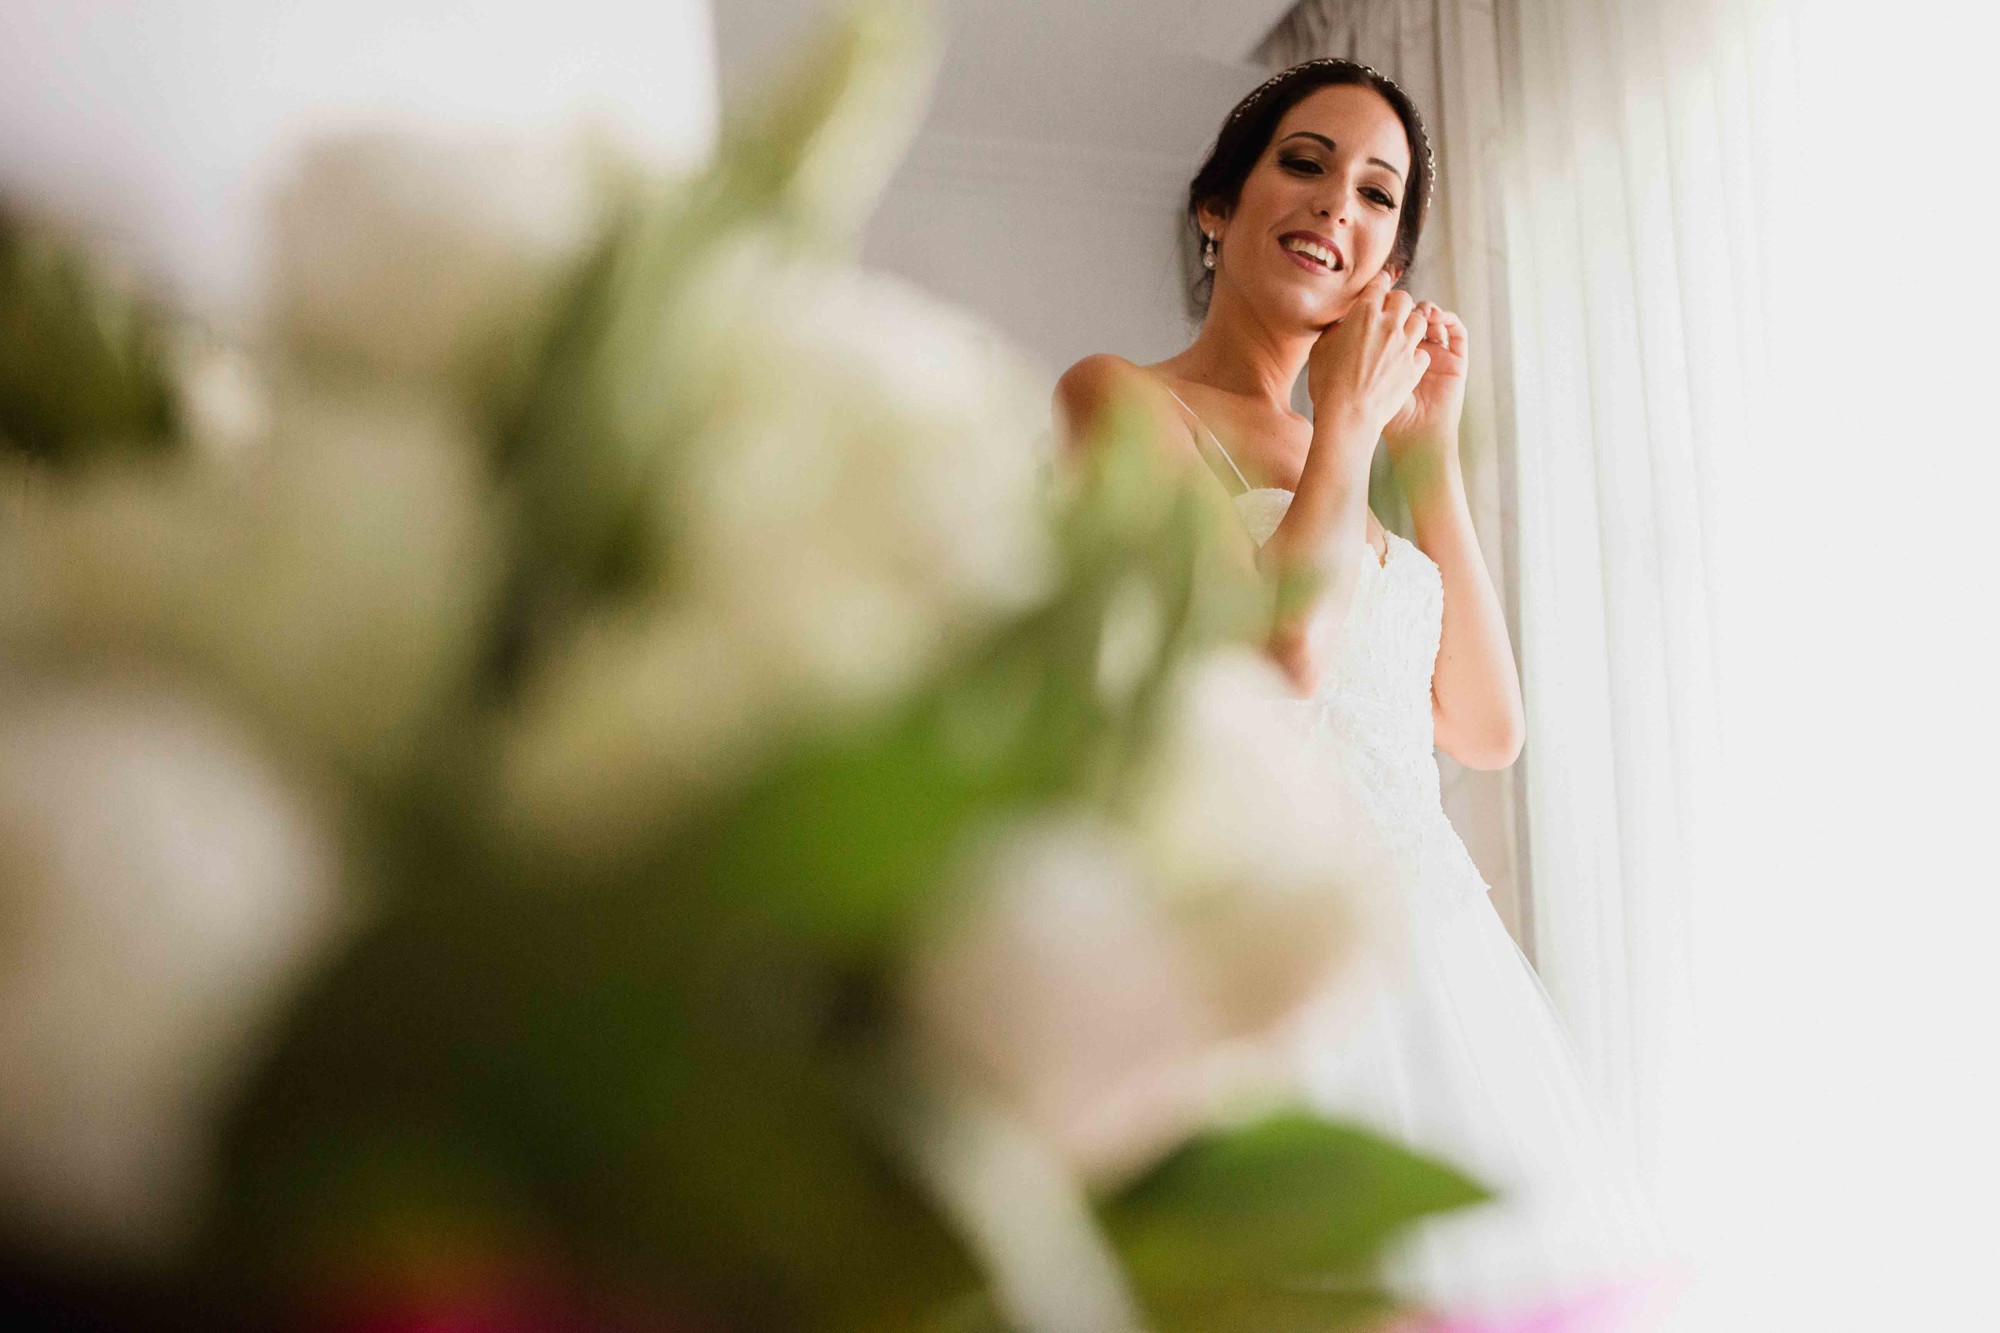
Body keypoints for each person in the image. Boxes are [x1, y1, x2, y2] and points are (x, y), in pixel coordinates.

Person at [1053, 59, 1678, 1325]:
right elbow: (1270, 662)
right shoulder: (1119, 395)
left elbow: (1485, 728)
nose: (1337, 202)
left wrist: (1426, 453)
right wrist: (1341, 425)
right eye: (1303, 162)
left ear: (1384, 257)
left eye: (1377, 193)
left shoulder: (1359, 451)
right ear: (1216, 207)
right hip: (1260, 948)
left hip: (1441, 959)